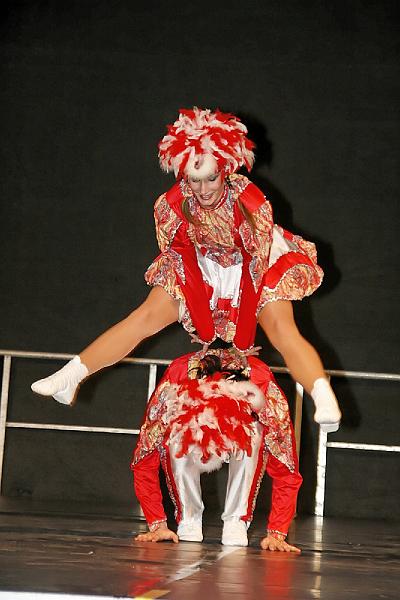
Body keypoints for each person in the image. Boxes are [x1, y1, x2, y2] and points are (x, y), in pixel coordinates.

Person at [31, 107, 341, 431]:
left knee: (281, 328)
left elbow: (254, 265)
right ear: (183, 175)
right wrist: (203, 320)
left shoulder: (249, 203)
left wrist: (242, 333)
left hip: (254, 265)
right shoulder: (171, 205)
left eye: (211, 178)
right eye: (195, 180)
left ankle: (323, 395)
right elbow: (180, 258)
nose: (204, 189)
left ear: (226, 170)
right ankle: (71, 376)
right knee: (145, 317)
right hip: (201, 266)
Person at [132, 346, 302, 552]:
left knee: (254, 433)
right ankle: (189, 517)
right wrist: (157, 523)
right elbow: (145, 454)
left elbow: (285, 461)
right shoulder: (179, 372)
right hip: (189, 432)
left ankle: (237, 520)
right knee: (176, 431)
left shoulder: (258, 376)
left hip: (245, 435)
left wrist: (277, 532)